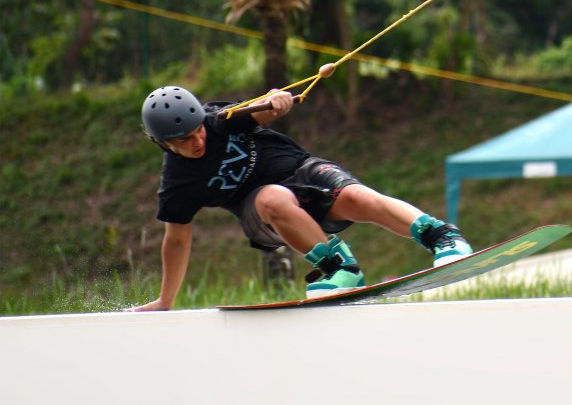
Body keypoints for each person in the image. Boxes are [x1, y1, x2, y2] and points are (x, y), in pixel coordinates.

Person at [132, 67, 472, 311]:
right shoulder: (177, 184)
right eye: (185, 140)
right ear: (162, 144)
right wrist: (165, 301)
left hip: (301, 171)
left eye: (198, 131)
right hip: (262, 212)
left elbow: (260, 111)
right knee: (271, 196)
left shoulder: (217, 119)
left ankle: (442, 237)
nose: (197, 140)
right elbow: (177, 241)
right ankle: (339, 269)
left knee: (356, 197)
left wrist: (276, 101)